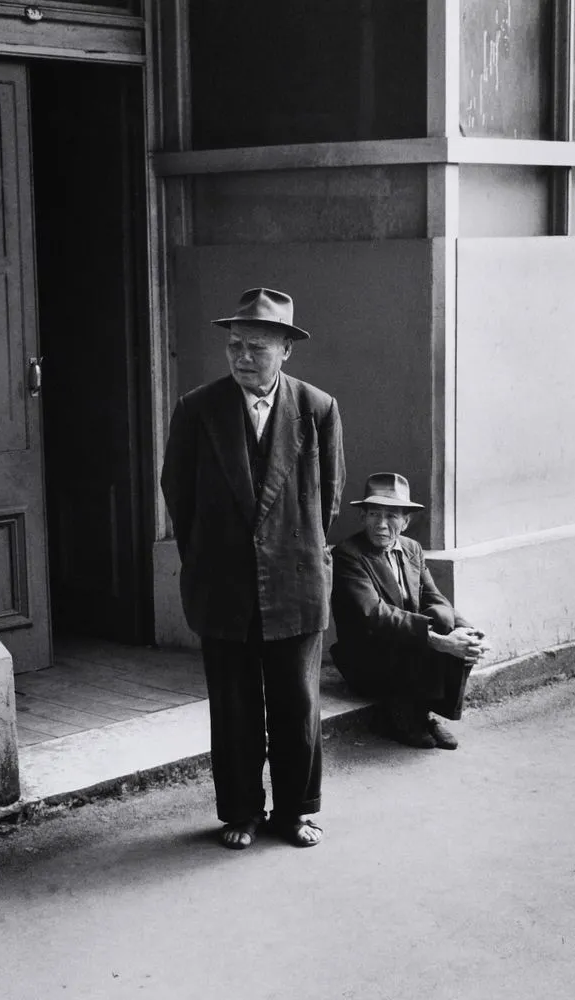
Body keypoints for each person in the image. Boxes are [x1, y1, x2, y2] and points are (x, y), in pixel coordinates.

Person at [162, 287, 345, 849]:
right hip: (224, 585)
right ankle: (240, 812)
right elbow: (178, 494)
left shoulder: (317, 408)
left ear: (286, 350)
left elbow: (329, 497)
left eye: (257, 347)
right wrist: (208, 560)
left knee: (298, 705)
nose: (242, 357)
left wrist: (298, 554)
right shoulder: (197, 409)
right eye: (235, 345)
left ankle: (295, 812)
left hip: (296, 583)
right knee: (234, 707)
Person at [331, 473, 488, 750]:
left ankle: (425, 713)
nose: (381, 524)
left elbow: (433, 596)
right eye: (374, 514)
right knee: (426, 633)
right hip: (368, 657)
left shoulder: (412, 549)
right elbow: (376, 615)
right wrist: (440, 641)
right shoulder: (348, 554)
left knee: (443, 617)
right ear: (363, 517)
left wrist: (468, 630)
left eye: (391, 516)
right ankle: (404, 718)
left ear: (405, 522)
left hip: (407, 648)